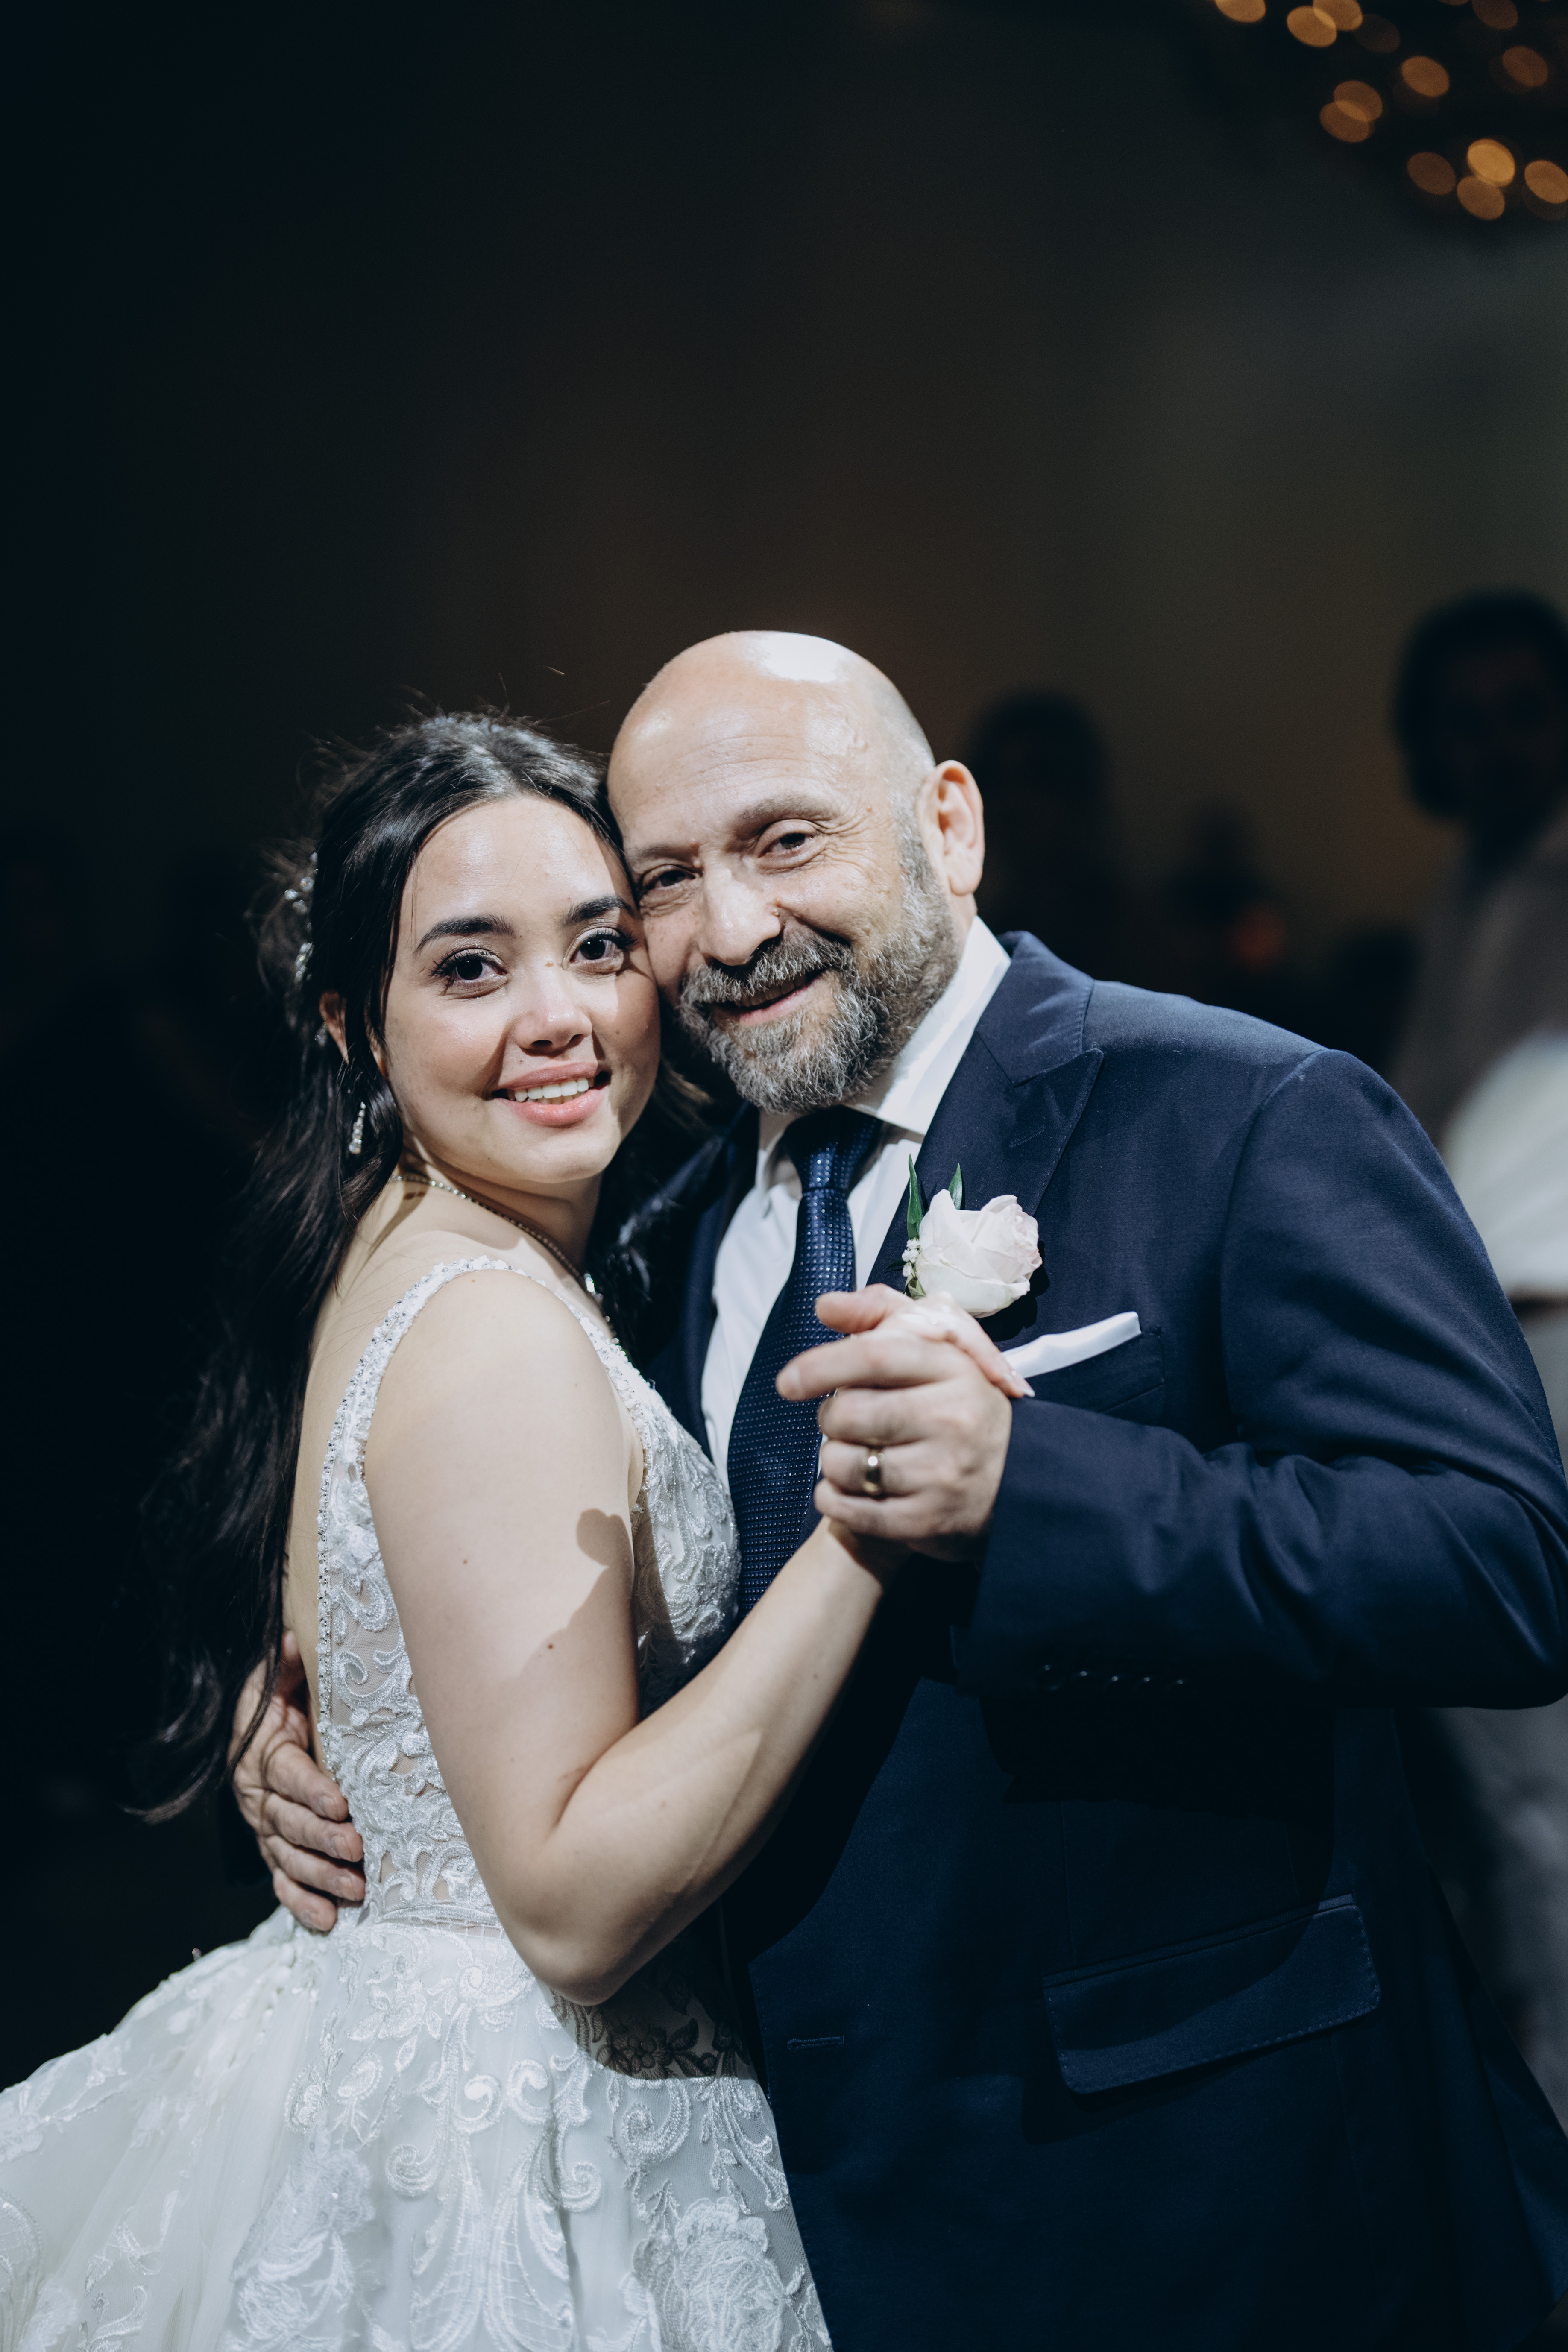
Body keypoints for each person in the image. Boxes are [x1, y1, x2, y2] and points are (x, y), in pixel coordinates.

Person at [255, 634, 1568, 2349]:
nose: (733, 927)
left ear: (949, 825)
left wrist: (1044, 1489)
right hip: (802, 2199)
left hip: (1202, 2183)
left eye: (786, 840)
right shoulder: (658, 1214)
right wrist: (341, 1726)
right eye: (668, 880)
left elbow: (1501, 1561)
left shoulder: (1240, 1110)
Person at [0, 711, 1020, 2350]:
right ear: (352, 1020)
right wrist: (865, 1521)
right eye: (471, 967)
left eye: (600, 944)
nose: (559, 1015)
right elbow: (572, 1902)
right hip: (519, 2118)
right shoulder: (492, 1324)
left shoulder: (424, 1240)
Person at [1391, 588, 1568, 1145]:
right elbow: (1425, 1088)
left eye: (1526, 714)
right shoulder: (1461, 886)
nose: (1501, 747)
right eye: (1469, 724)